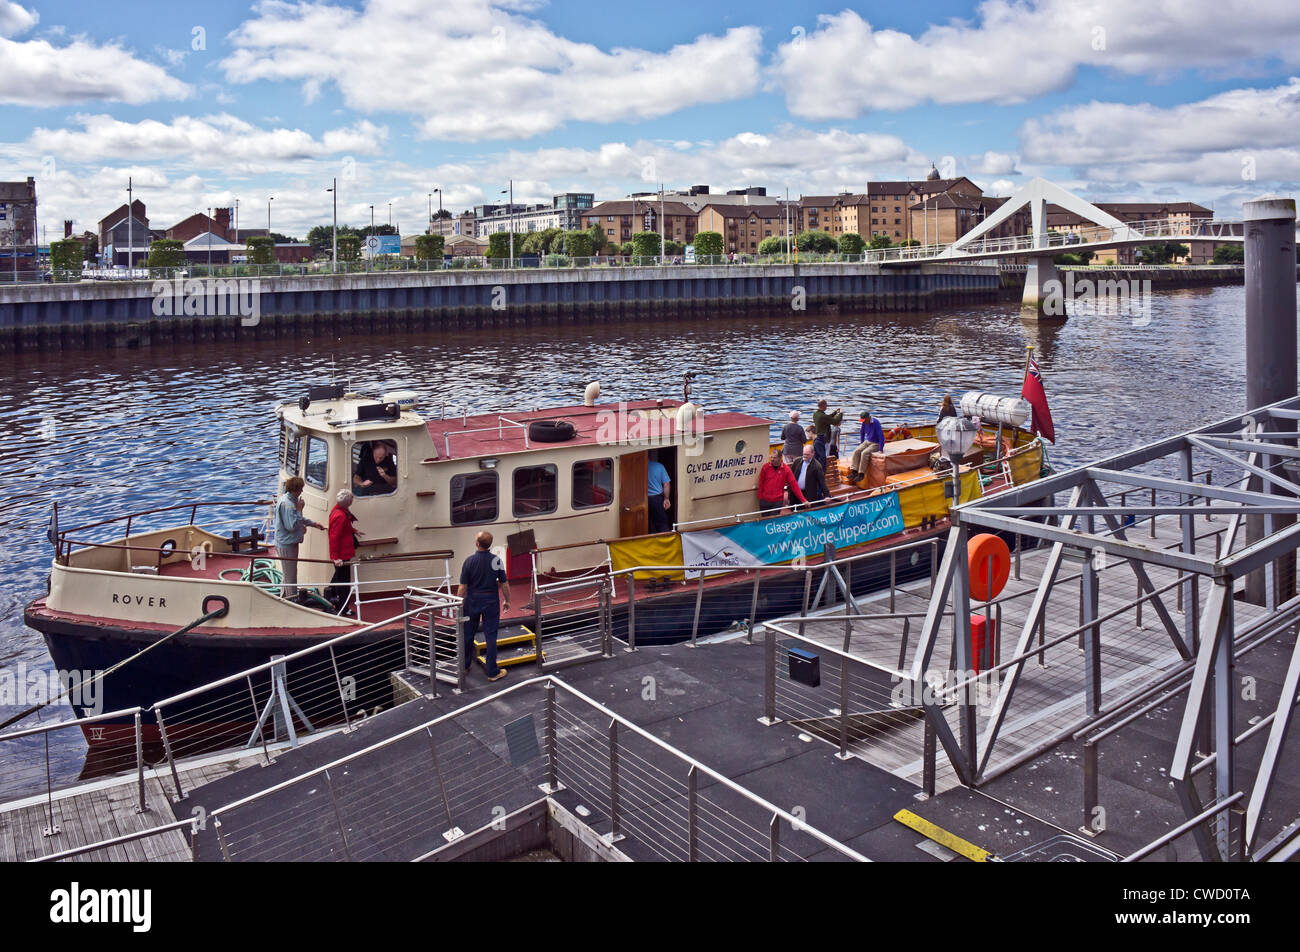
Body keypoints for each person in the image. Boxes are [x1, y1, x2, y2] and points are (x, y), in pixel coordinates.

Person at [457, 531, 511, 681]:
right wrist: (507, 601)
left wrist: (457, 602)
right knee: (491, 636)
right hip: (491, 602)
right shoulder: (496, 561)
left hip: (472, 602)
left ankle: (464, 666)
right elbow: (504, 583)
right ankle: (492, 672)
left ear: (477, 544)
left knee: (468, 634)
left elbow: (463, 587)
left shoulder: (469, 561)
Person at [274, 476, 323, 601]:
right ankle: (291, 600)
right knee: (290, 576)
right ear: (295, 489)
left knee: (287, 574)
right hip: (287, 544)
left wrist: (313, 524)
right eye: (301, 489)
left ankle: (284, 597)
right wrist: (300, 509)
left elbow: (297, 519)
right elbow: (292, 525)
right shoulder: (288, 504)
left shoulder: (289, 500)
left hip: (286, 542)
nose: (302, 491)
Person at [327, 490, 362, 613]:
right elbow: (334, 538)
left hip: (342, 554)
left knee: (339, 578)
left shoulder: (339, 512)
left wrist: (354, 531)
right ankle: (342, 607)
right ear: (348, 502)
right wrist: (335, 557)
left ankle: (331, 601)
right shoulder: (341, 516)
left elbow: (342, 529)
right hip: (342, 555)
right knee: (343, 582)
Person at [757, 450, 807, 515]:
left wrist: (803, 500)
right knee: (764, 521)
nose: (772, 459)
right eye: (771, 457)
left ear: (780, 458)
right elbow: (761, 483)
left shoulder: (786, 470)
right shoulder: (765, 467)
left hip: (777, 501)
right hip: (764, 501)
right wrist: (760, 497)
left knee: (773, 521)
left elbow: (794, 485)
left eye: (774, 458)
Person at [848, 410, 886, 482]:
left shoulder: (876, 422)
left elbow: (881, 436)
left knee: (864, 453)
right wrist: (862, 443)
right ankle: (854, 471)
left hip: (876, 443)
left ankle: (861, 474)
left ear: (868, 418)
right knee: (856, 451)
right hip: (867, 441)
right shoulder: (864, 423)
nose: (863, 422)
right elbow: (862, 432)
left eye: (864, 420)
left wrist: (881, 448)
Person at [646, 456, 672, 533]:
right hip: (656, 500)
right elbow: (666, 484)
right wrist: (666, 499)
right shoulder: (659, 466)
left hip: (641, 500)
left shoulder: (637, 466)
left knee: (646, 525)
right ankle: (665, 542)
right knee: (661, 524)